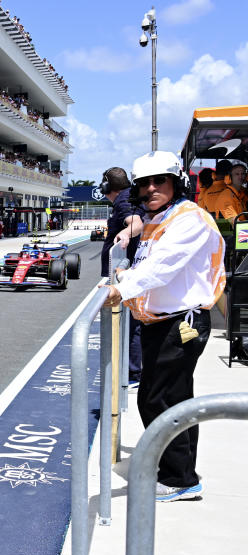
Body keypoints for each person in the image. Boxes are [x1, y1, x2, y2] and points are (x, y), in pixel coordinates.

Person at [102, 150, 226, 502]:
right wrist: (124, 274)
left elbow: (164, 267)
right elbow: (148, 263)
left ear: (177, 183)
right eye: (144, 183)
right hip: (161, 323)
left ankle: (180, 478)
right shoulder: (159, 217)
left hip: (181, 323)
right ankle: (175, 469)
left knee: (162, 400)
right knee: (166, 399)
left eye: (160, 181)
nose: (151, 188)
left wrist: (120, 289)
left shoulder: (189, 219)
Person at [99, 167, 144, 384]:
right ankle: (132, 369)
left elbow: (136, 223)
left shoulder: (123, 200)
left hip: (122, 273)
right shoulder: (128, 197)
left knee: (130, 323)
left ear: (107, 187)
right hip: (123, 270)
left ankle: (133, 372)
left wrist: (126, 233)